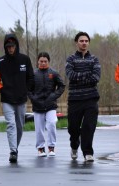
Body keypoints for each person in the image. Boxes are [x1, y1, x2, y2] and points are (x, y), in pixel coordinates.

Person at [0, 33, 34, 163]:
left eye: (12, 46)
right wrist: (1, 89)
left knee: (20, 126)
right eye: (8, 46)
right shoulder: (0, 62)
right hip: (7, 99)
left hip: (21, 99)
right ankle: (13, 151)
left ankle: (15, 147)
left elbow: (31, 77)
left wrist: (27, 90)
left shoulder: (25, 60)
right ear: (5, 47)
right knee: (11, 124)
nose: (10, 48)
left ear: (16, 46)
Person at [65, 31, 101, 162]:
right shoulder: (71, 59)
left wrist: (80, 76)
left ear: (89, 43)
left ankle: (88, 152)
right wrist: (87, 75)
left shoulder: (94, 59)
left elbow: (96, 77)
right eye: (81, 41)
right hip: (75, 99)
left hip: (91, 98)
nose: (84, 43)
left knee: (89, 127)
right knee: (73, 128)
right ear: (76, 43)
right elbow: (71, 75)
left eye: (86, 41)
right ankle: (74, 146)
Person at [28, 52, 65, 157]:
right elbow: (28, 89)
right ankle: (40, 148)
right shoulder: (33, 74)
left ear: (48, 62)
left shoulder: (54, 73)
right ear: (38, 62)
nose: (43, 63)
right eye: (41, 61)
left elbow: (62, 86)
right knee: (39, 128)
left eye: (45, 61)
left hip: (51, 105)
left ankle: (51, 147)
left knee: (52, 123)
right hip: (37, 105)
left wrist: (53, 96)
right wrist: (34, 99)